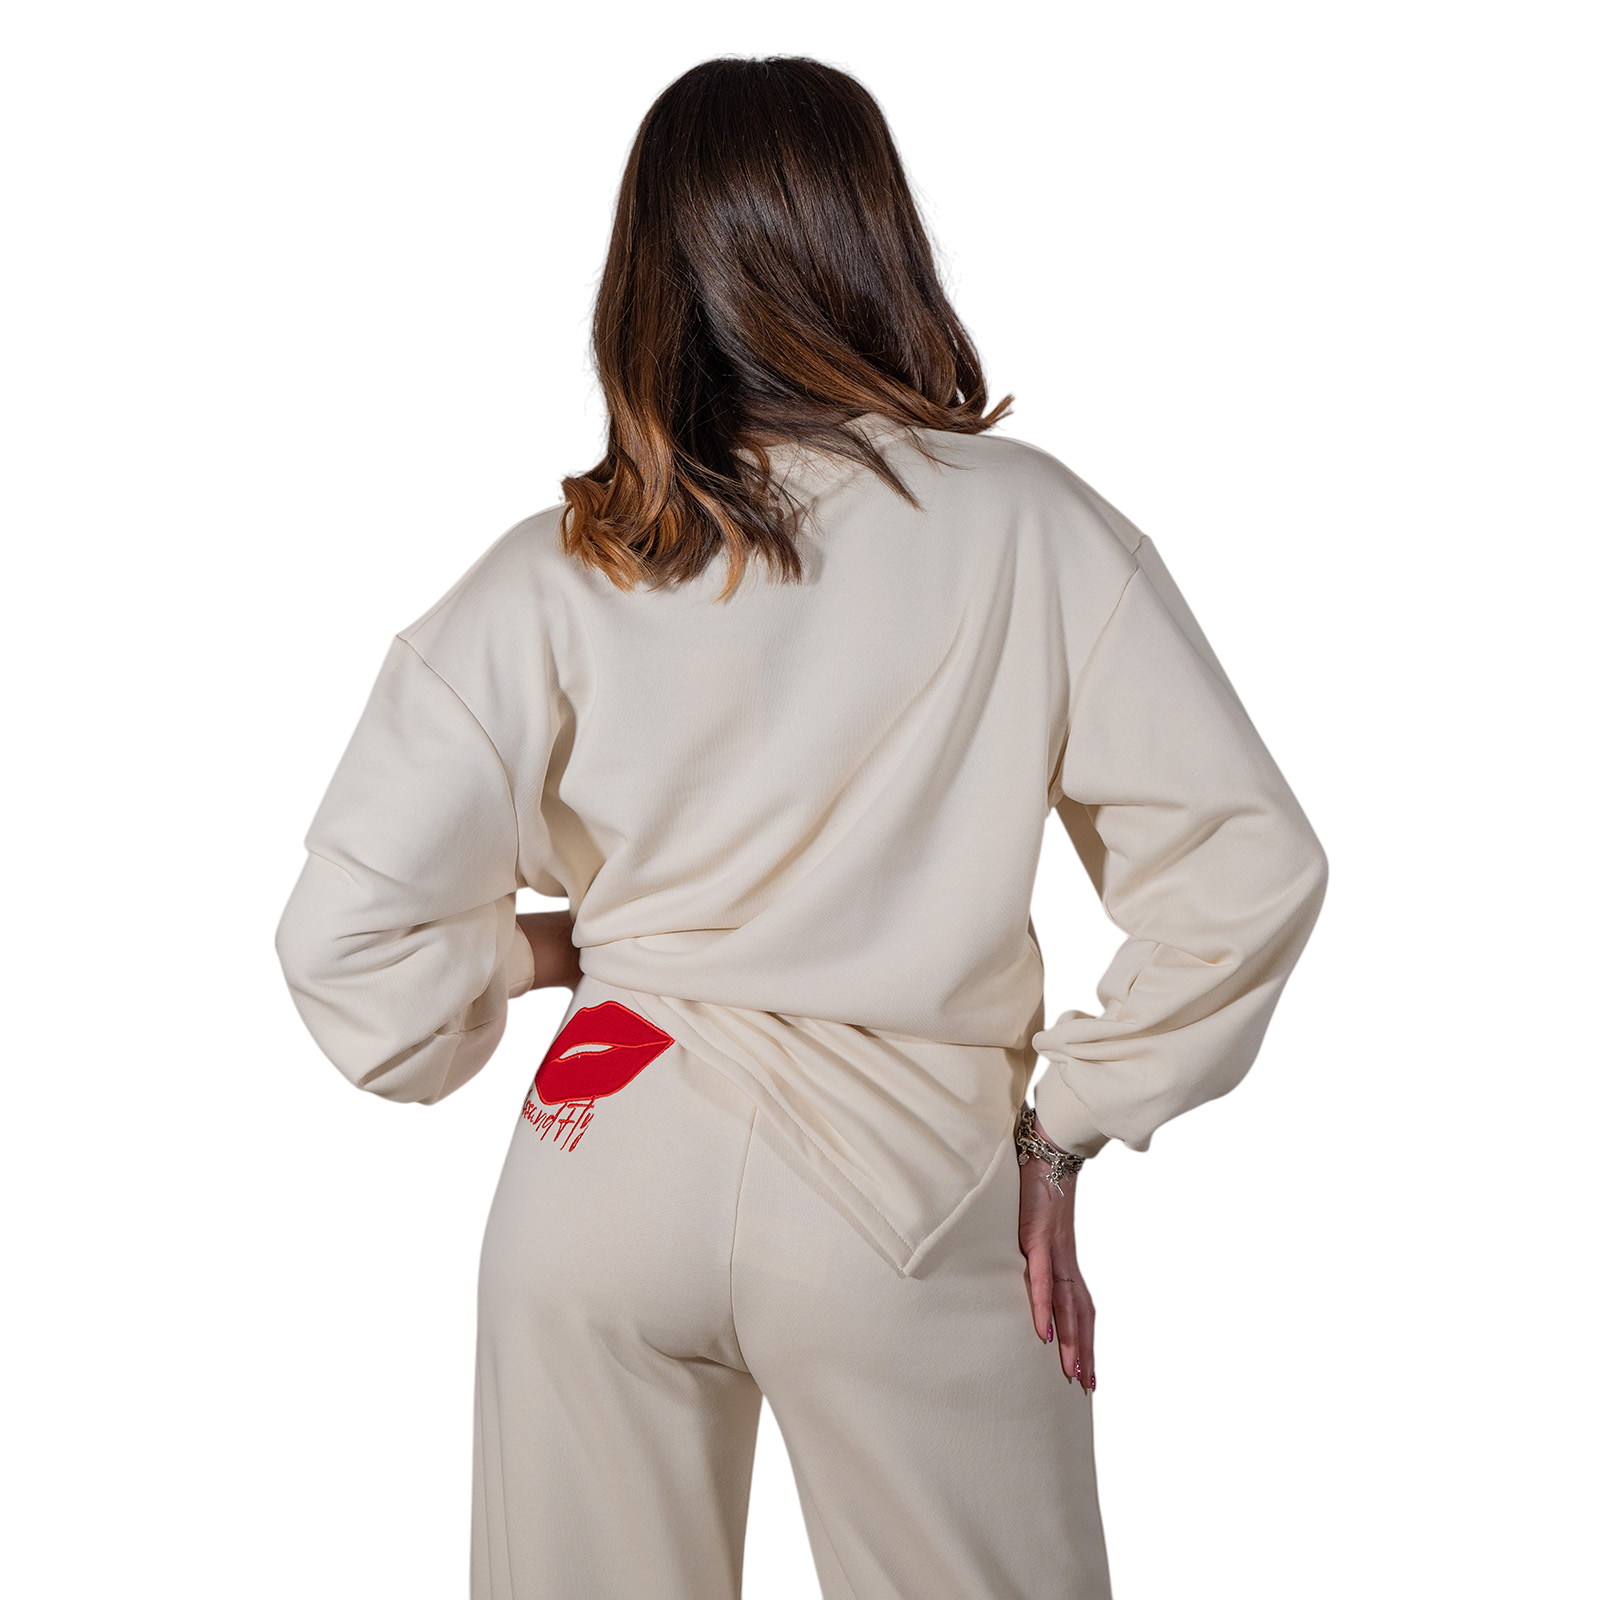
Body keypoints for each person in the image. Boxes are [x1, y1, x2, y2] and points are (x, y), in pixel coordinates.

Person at [275, 54, 1328, 1600]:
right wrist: (1065, 1132)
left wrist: (546, 953)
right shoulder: (1031, 526)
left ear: (644, 275)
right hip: (904, 1182)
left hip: (603, 1144)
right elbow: (1249, 869)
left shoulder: (563, 565)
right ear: (878, 238)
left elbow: (345, 945)